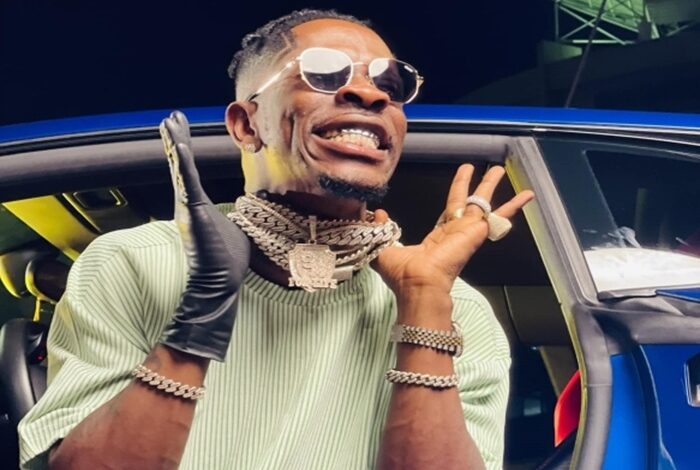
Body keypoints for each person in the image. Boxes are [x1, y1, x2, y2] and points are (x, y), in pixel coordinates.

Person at [18, 9, 533, 470]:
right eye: (323, 73)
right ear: (246, 125)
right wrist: (202, 315)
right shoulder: (131, 263)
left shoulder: (456, 310)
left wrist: (423, 300)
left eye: (390, 83)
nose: (371, 94)